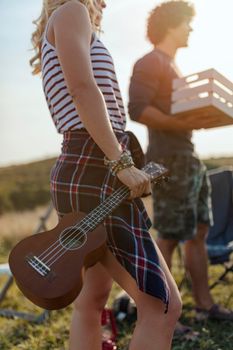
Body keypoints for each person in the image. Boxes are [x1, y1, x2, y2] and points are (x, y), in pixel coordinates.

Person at [30, 1, 182, 349]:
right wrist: (120, 162)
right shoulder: (72, 11)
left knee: (92, 298)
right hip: (95, 165)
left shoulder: (63, 20)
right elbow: (82, 88)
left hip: (81, 165)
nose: (105, 2)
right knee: (161, 305)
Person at [128, 0, 233, 334]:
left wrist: (198, 120)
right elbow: (138, 108)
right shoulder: (150, 62)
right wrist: (179, 121)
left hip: (188, 157)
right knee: (170, 235)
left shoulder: (173, 65)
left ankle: (204, 306)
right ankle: (159, 314)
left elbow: (180, 115)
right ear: (171, 25)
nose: (191, 28)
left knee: (199, 230)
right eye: (187, 23)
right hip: (168, 160)